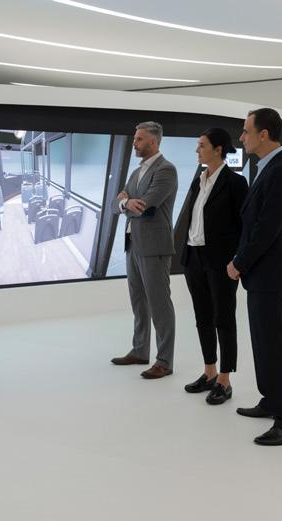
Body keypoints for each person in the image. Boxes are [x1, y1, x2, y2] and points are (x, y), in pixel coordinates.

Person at [227, 108, 282, 446]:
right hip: (262, 273)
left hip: (271, 273)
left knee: (274, 345)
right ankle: (272, 400)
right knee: (262, 341)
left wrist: (239, 262)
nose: (241, 137)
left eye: (246, 131)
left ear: (264, 134)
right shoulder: (268, 167)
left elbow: (267, 228)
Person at [182, 128, 248, 404]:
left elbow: (245, 226)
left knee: (224, 318)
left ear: (218, 149)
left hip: (221, 262)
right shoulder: (198, 181)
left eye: (202, 145)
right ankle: (209, 371)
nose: (197, 150)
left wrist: (238, 259)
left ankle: (224, 379)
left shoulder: (235, 183)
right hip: (194, 257)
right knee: (203, 317)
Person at [111, 121, 178, 379]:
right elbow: (116, 204)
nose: (134, 143)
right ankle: (140, 350)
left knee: (159, 304)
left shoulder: (166, 170)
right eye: (134, 139)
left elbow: (146, 206)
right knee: (138, 301)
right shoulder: (137, 172)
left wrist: (126, 201)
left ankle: (165, 361)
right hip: (134, 244)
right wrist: (126, 202)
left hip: (154, 247)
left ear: (153, 141)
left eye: (139, 139)